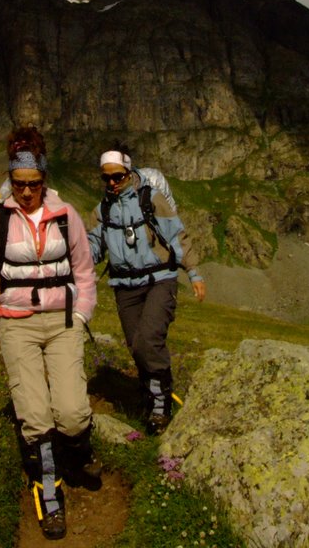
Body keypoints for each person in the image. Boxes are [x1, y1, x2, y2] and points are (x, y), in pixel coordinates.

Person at [0, 126, 99, 541]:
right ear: (10, 179)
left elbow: (84, 270)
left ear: (44, 179)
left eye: (34, 184)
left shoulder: (67, 215)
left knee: (74, 414)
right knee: (37, 417)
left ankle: (77, 450)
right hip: (16, 323)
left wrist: (80, 318)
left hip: (62, 324)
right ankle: (49, 491)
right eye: (19, 184)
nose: (26, 192)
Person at [87, 146, 206, 435]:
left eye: (118, 177)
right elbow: (92, 246)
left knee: (147, 341)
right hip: (124, 286)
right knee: (135, 345)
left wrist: (193, 272)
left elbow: (176, 235)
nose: (112, 183)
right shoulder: (102, 209)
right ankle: (150, 392)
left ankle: (160, 404)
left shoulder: (151, 199)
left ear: (129, 172)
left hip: (159, 280)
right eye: (107, 178)